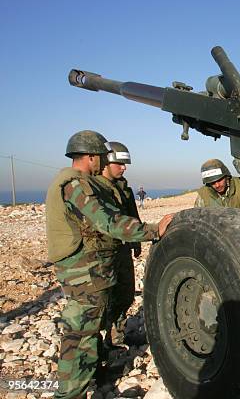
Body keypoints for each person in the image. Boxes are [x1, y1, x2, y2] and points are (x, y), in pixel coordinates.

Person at [45, 130, 174, 399]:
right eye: (101, 157)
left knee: (90, 327)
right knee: (80, 335)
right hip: (84, 271)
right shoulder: (77, 185)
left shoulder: (77, 181)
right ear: (91, 156)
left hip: (88, 269)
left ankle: (94, 373)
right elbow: (107, 221)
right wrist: (153, 230)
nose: (104, 162)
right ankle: (71, 393)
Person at [92, 142, 141, 348]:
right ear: (106, 163)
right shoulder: (95, 188)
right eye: (120, 163)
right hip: (103, 252)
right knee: (104, 300)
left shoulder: (124, 188)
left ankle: (118, 334)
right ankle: (102, 343)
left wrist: (136, 241)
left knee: (125, 294)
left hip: (122, 249)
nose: (124, 168)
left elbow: (132, 215)